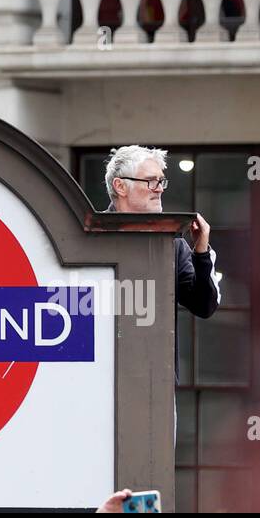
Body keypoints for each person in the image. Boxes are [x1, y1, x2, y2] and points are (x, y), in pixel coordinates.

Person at [105, 145, 222, 440]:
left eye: (161, 181)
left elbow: (204, 305)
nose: (159, 189)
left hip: (155, 383)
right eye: (150, 181)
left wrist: (201, 251)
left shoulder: (173, 243)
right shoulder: (92, 236)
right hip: (100, 379)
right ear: (120, 186)